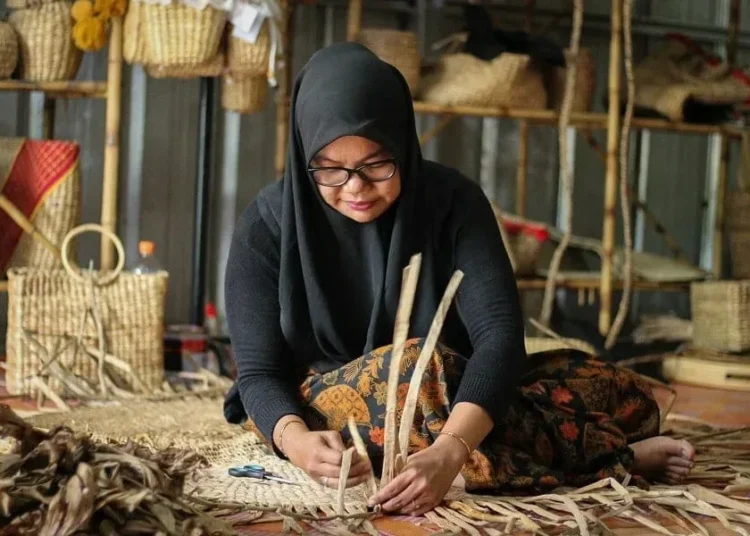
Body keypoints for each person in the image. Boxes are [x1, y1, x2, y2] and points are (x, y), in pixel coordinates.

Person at [223, 42, 695, 515]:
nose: (355, 188)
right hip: (325, 406)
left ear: (403, 146)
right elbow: (259, 374)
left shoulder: (454, 203)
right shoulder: (267, 227)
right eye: (330, 170)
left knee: (604, 383)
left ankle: (474, 446)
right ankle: (612, 459)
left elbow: (500, 339)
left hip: (450, 386)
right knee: (416, 370)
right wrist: (297, 442)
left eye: (376, 165)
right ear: (306, 156)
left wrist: (451, 450)